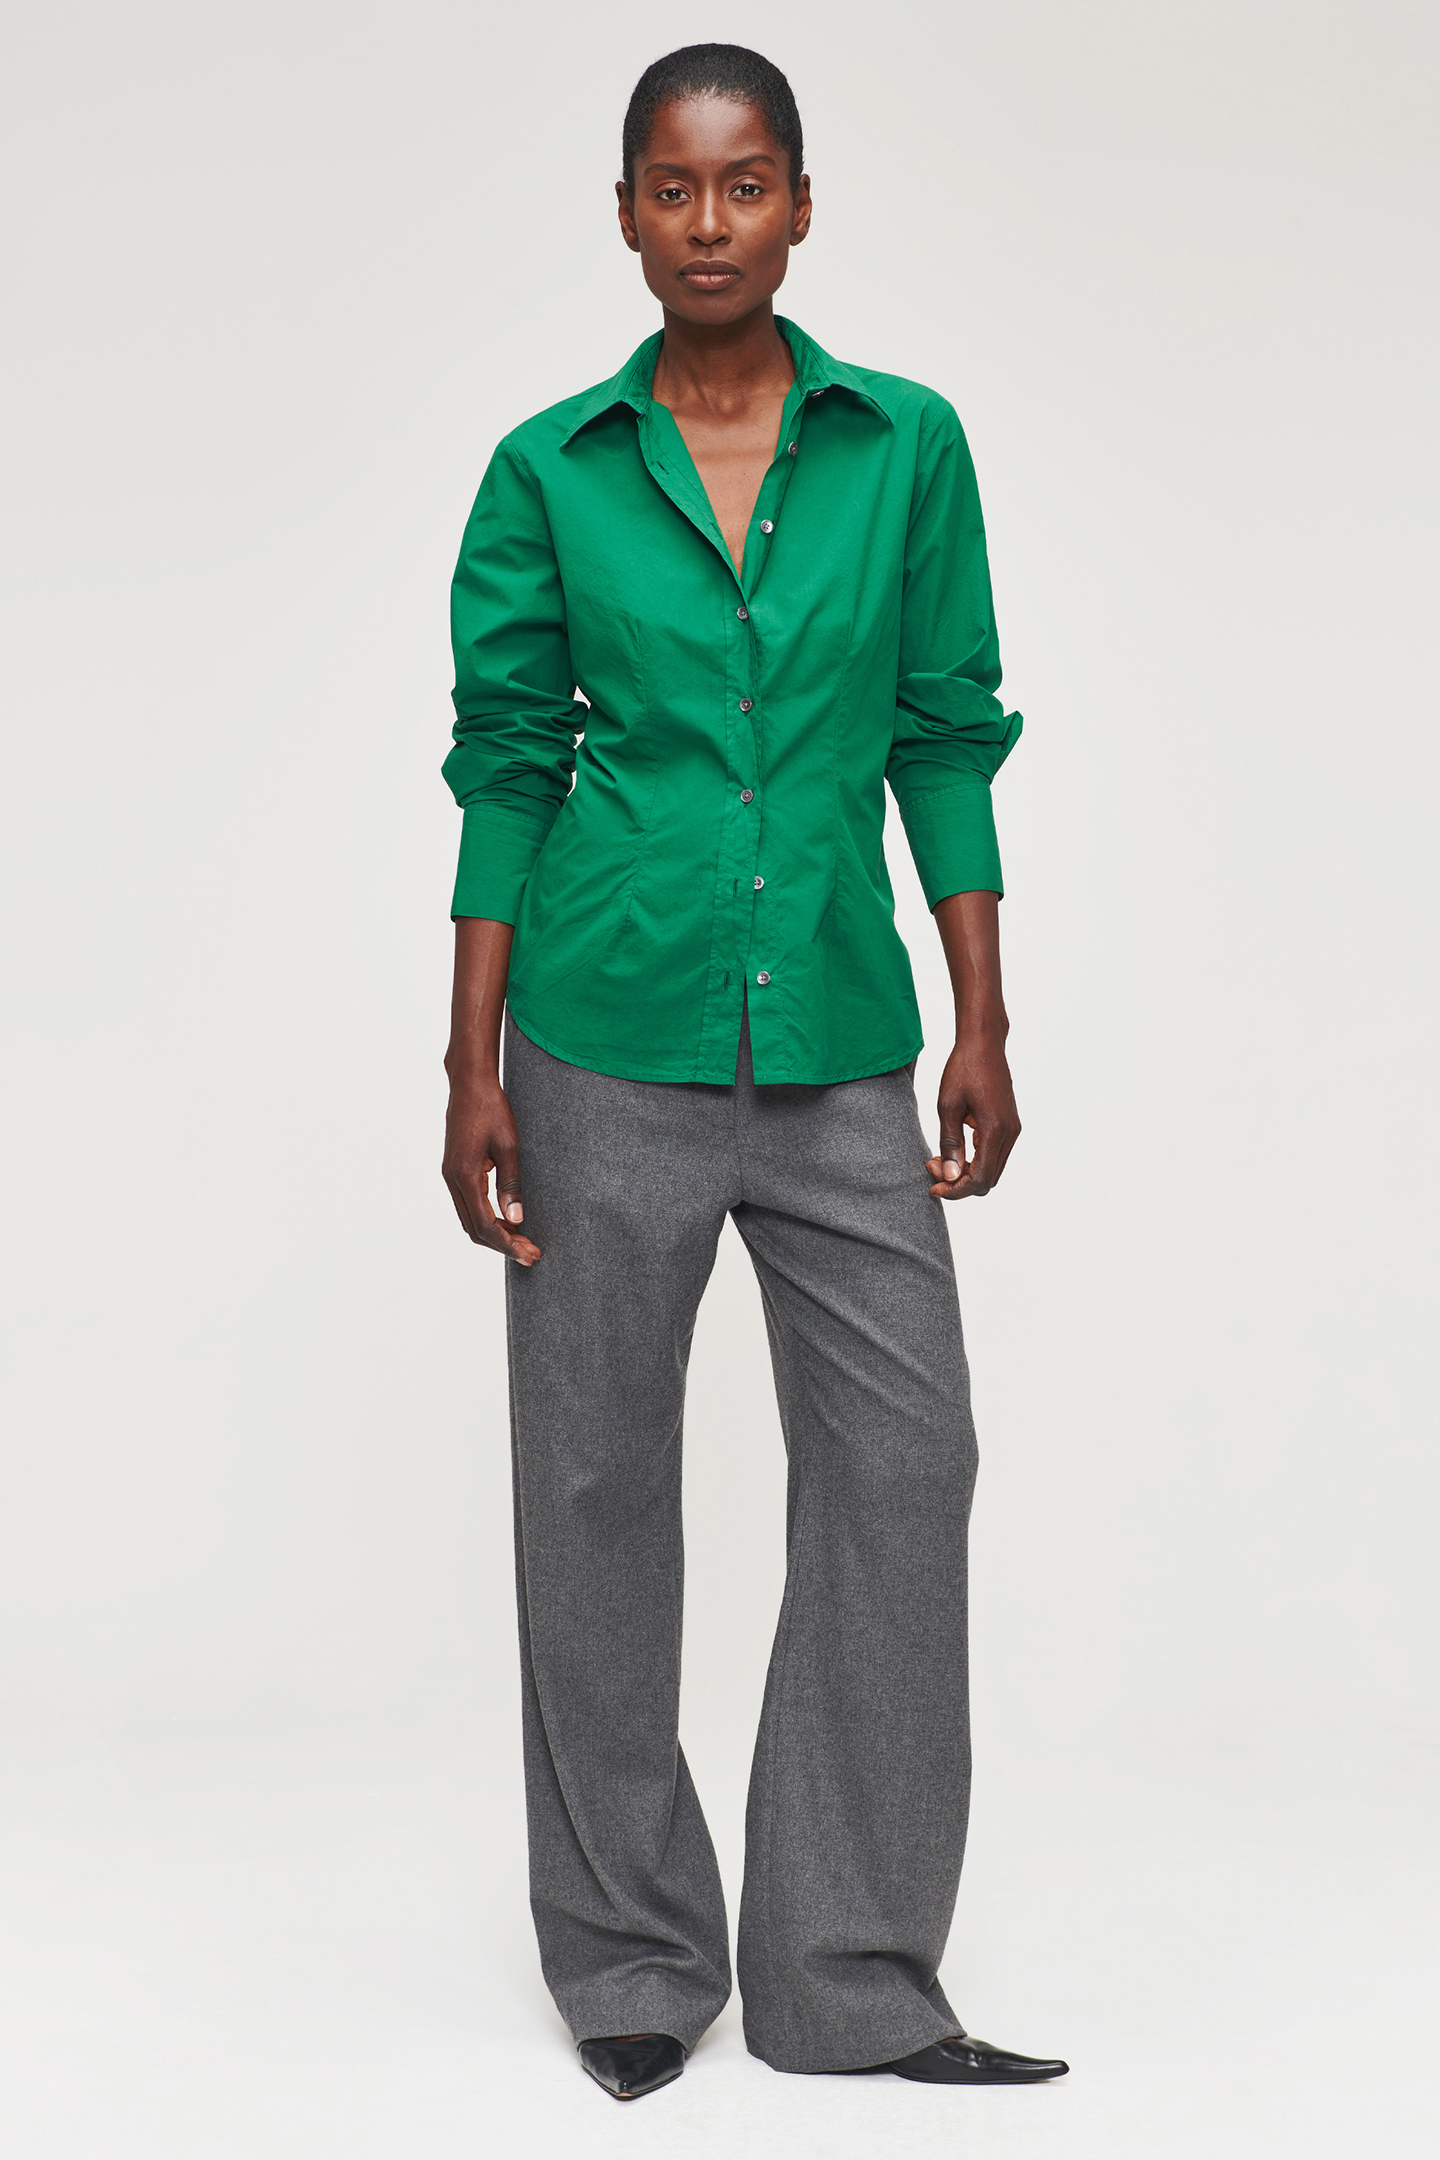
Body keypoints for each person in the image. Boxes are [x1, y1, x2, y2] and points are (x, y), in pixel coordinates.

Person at [439, 42, 1067, 2104]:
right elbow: (509, 761)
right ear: (625, 212)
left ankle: (849, 1973)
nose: (708, 222)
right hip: (599, 1034)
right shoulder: (550, 468)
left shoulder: (907, 447)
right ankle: (632, 1957)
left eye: (745, 183)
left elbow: (944, 731)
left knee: (904, 1462)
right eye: (671, 186)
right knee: (595, 1488)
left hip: (835, 1042)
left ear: (802, 203)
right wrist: (469, 1062)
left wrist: (982, 1015)